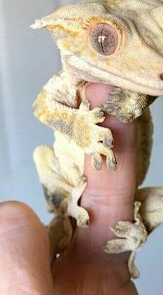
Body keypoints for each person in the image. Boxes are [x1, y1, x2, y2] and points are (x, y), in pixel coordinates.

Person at [0, 84, 138, 294]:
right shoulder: (66, 84)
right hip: (74, 186)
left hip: (107, 188)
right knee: (41, 156)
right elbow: (41, 107)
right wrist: (79, 128)